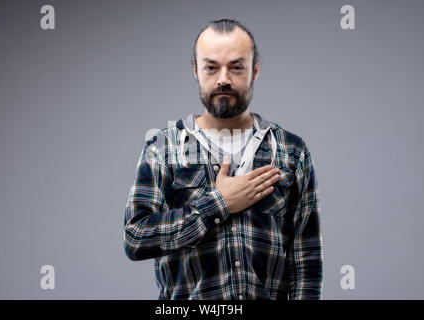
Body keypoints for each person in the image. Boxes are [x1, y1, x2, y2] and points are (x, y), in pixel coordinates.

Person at [123, 18, 323, 300]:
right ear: (196, 71)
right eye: (211, 67)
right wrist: (219, 203)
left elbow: (306, 261)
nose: (224, 79)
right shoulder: (163, 148)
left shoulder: (291, 150)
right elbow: (136, 238)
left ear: (255, 71)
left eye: (237, 67)